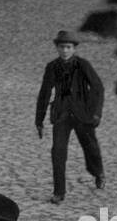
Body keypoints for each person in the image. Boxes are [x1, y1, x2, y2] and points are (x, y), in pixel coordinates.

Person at [35, 30, 105, 203]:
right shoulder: (52, 67)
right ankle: (59, 192)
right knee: (58, 152)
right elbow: (44, 93)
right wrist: (39, 119)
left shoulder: (83, 65)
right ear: (57, 48)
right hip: (62, 115)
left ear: (74, 49)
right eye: (61, 47)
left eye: (68, 47)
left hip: (83, 115)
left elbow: (98, 88)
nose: (65, 51)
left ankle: (98, 173)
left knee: (91, 147)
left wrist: (96, 113)